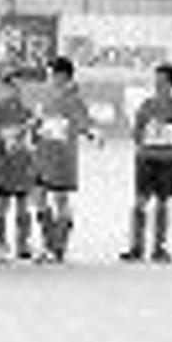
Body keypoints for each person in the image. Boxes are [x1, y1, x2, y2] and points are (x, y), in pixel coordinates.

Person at [32, 57, 102, 264]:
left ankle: (58, 246)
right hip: (43, 156)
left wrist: (93, 133)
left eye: (51, 73)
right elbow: (40, 121)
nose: (49, 78)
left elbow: (84, 122)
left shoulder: (74, 99)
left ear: (62, 75)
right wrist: (33, 130)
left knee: (60, 200)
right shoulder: (47, 96)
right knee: (39, 197)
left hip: (62, 158)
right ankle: (49, 244)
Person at [120, 63, 172, 263]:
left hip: (167, 160)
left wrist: (169, 140)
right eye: (156, 81)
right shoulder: (146, 105)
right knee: (140, 202)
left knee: (162, 202)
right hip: (145, 158)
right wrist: (144, 139)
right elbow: (136, 131)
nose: (158, 84)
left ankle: (159, 247)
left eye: (162, 81)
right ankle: (136, 246)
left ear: (171, 83)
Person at [0, 69, 37, 261]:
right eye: (11, 87)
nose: (16, 91)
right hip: (2, 167)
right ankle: (0, 243)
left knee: (23, 206)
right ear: (3, 88)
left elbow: (34, 139)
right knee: (2, 206)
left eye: (19, 87)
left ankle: (22, 243)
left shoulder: (27, 111)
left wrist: (30, 143)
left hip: (22, 166)